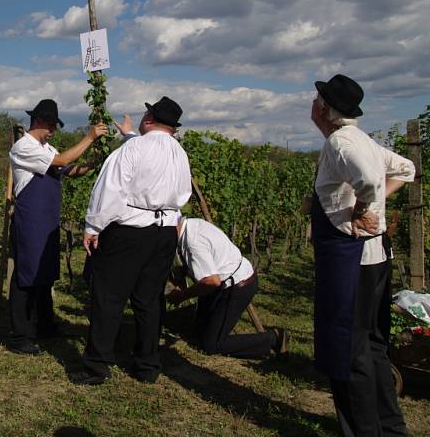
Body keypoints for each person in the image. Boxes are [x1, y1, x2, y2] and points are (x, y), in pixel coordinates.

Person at [310, 74, 413, 436]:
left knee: (348, 348)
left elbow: (368, 179)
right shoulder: (361, 140)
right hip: (373, 257)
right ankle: (390, 426)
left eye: (317, 99)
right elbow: (406, 169)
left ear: (323, 107)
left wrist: (363, 206)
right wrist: (372, 204)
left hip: (349, 259)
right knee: (372, 344)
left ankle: (364, 430)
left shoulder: (341, 144)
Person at [73, 96, 192, 385]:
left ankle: (97, 365)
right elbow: (182, 194)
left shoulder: (133, 149)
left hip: (130, 231)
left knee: (108, 297)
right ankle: (148, 364)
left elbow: (110, 189)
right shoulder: (179, 153)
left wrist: (93, 226)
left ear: (149, 119)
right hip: (165, 231)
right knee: (149, 300)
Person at [7, 99, 107, 355]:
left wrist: (96, 161)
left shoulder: (46, 147)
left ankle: (44, 324)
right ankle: (20, 334)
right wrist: (90, 137)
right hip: (30, 220)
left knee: (45, 272)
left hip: (47, 220)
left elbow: (71, 169)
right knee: (26, 275)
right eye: (51, 124)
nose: (53, 130)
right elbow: (62, 160)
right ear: (38, 120)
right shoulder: (24, 147)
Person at [166, 217, 289, 358]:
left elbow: (212, 281)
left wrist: (182, 296)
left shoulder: (193, 242)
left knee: (211, 344)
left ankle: (273, 338)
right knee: (198, 332)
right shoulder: (191, 225)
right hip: (223, 283)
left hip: (236, 287)